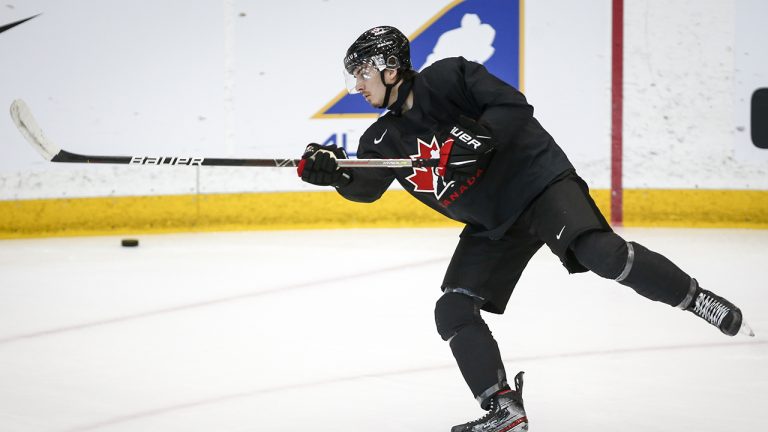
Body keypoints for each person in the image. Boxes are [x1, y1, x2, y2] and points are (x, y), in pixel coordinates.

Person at [297, 26, 753, 432]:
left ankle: (695, 298)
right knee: (452, 310)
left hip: (538, 184)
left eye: (362, 73)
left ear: (391, 69)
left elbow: (512, 106)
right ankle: (503, 409)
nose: (356, 86)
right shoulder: (381, 139)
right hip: (492, 224)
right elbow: (363, 187)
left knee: (602, 254)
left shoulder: (450, 76)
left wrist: (472, 140)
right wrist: (332, 173)